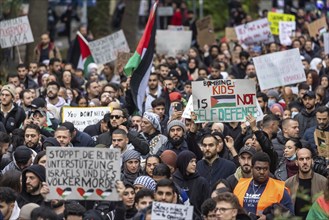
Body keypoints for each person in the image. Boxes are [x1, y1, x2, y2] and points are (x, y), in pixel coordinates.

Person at [233, 152, 294, 218]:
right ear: (252, 168)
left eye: (265, 169)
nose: (262, 172)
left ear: (269, 169)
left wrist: (268, 217)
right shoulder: (240, 185)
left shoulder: (280, 189)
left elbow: (290, 216)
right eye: (258, 168)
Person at [285, 147, 327, 219]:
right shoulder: (288, 183)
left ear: (312, 161)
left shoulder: (323, 182)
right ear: (296, 162)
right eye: (301, 159)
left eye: (307, 158)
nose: (305, 162)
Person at [172, 150, 209, 218]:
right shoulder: (173, 181)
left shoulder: (202, 182)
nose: (194, 164)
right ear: (183, 162)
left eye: (195, 161)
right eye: (191, 161)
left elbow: (206, 206)